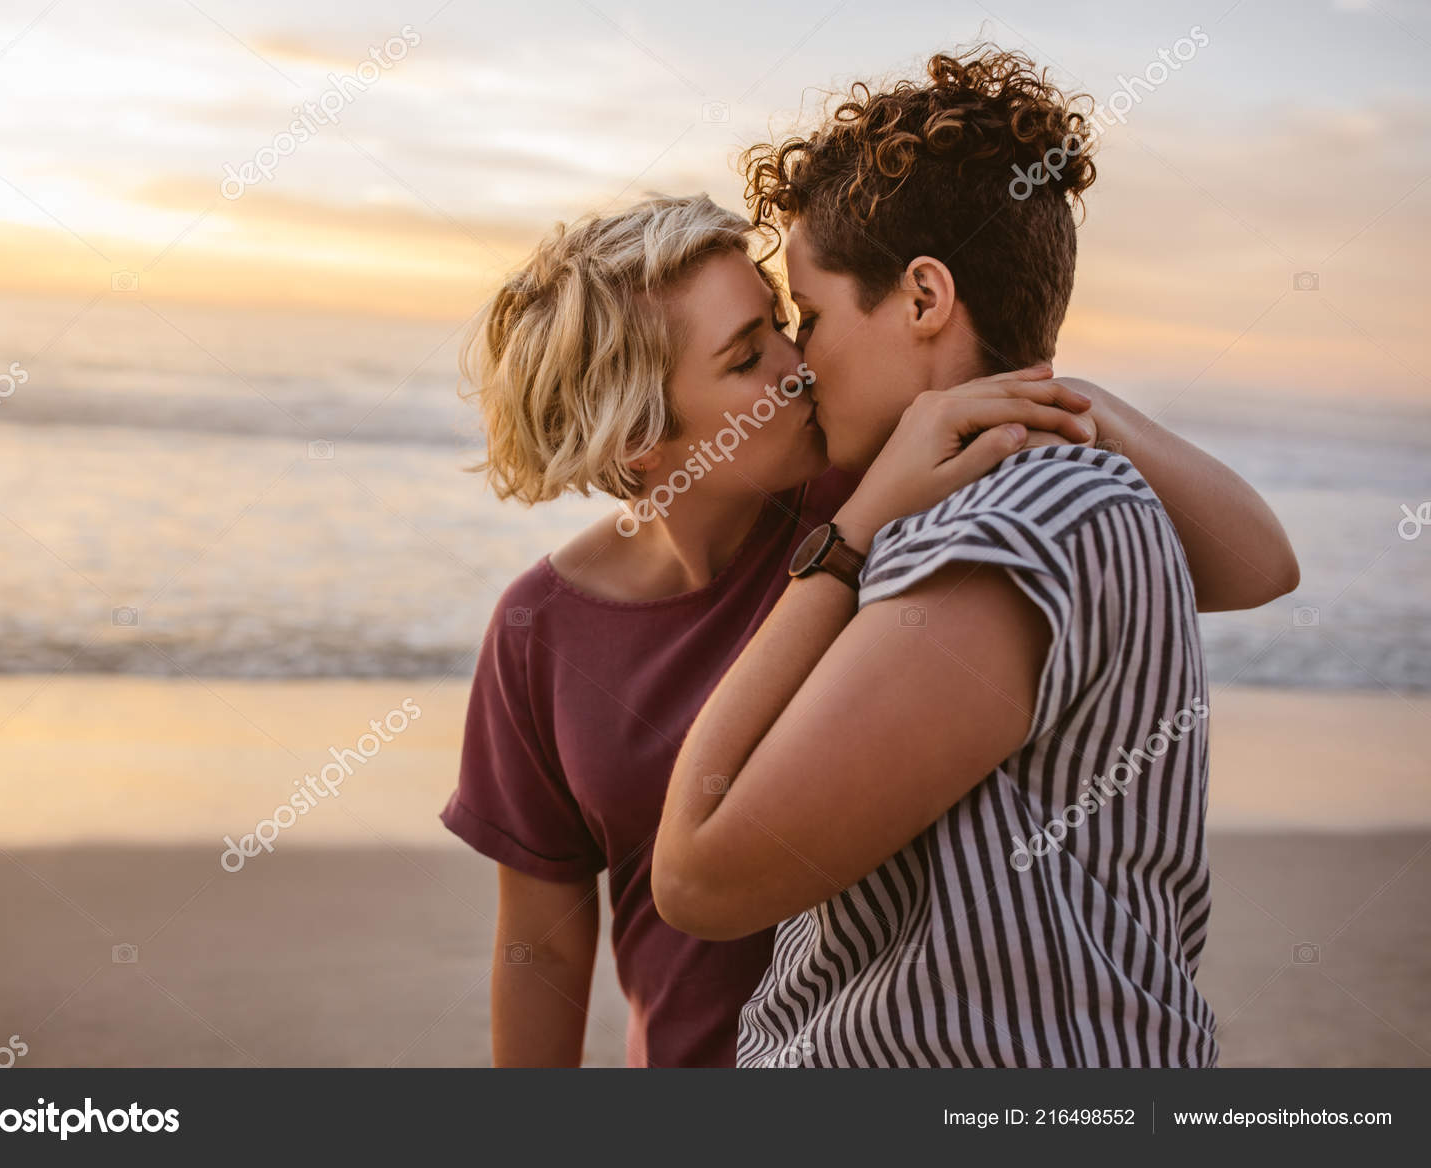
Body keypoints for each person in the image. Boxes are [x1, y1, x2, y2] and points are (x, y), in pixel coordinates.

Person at [442, 186, 1295, 1065]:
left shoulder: (893, 493)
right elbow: (541, 944)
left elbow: (1258, 564)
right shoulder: (537, 632)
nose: (796, 363)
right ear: (638, 437)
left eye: (782, 321)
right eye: (746, 357)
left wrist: (1045, 397)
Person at [649, 47, 1295, 1066]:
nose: (801, 365)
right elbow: (1258, 562)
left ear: (922, 298)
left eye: (808, 319)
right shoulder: (1032, 498)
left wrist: (846, 540)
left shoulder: (1008, 522)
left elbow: (697, 877)